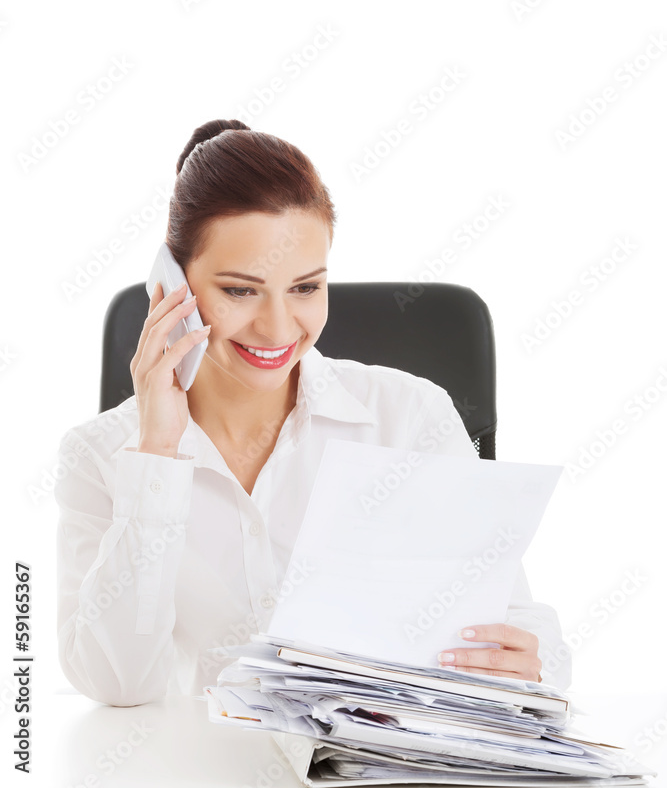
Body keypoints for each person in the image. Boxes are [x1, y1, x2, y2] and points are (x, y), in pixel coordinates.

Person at [54, 118, 572, 707]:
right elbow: (119, 686)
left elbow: (525, 628)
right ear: (169, 288)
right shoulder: (99, 455)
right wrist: (158, 454)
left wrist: (530, 661)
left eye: (305, 288)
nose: (277, 328)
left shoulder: (407, 418)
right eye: (240, 291)